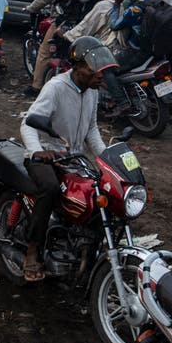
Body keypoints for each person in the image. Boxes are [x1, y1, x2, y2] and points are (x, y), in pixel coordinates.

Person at [19, 35, 116, 282]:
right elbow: (28, 124)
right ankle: (32, 251)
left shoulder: (91, 91)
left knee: (100, 193)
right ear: (78, 67)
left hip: (74, 158)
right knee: (50, 189)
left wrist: (107, 160)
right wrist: (37, 151)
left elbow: (91, 129)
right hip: (45, 156)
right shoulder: (56, 88)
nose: (100, 75)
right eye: (94, 69)